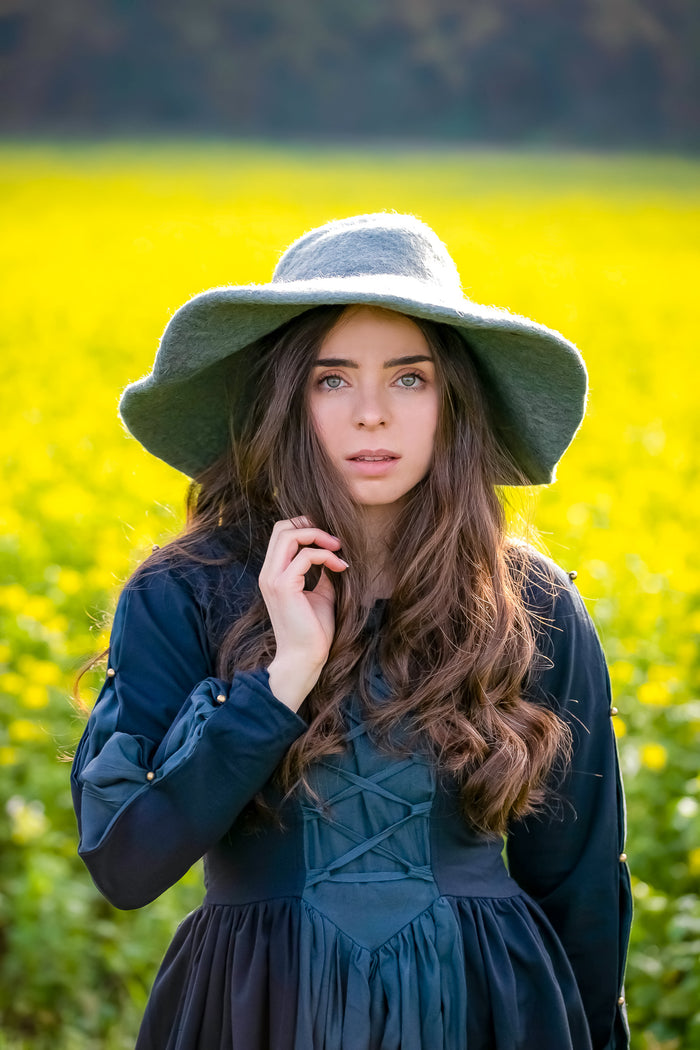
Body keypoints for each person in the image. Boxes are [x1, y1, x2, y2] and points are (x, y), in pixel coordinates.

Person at [71, 212, 632, 1050]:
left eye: (410, 379)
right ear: (285, 399)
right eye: (332, 380)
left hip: (486, 1011)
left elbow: (579, 884)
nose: (372, 414)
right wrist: (282, 679)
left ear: (455, 401)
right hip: (254, 1011)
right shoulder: (182, 592)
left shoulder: (532, 603)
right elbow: (127, 864)